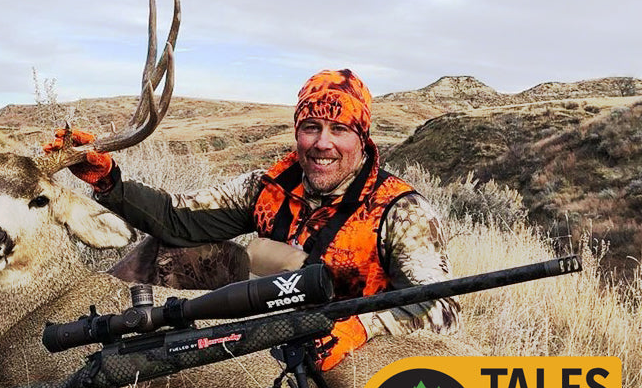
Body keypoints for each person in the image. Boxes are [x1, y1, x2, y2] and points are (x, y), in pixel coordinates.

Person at [45, 69, 460, 371]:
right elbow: (175, 219)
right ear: (297, 131)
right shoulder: (267, 188)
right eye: (311, 127)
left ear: (362, 139)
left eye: (339, 130)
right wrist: (109, 181)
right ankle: (108, 352)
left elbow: (442, 307)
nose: (322, 143)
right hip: (268, 327)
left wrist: (363, 327)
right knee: (161, 250)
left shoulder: (401, 210)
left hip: (348, 353)